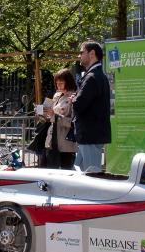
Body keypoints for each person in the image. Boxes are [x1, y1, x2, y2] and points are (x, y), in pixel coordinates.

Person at [72, 41, 112, 172]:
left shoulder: (92, 77)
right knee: (79, 173)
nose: (79, 56)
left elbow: (79, 105)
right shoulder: (97, 76)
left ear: (92, 53)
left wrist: (73, 100)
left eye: (82, 52)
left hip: (90, 135)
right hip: (90, 135)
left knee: (91, 174)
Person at [41, 69, 78, 169]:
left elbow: (73, 122)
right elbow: (50, 116)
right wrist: (42, 113)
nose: (58, 86)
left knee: (65, 170)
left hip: (65, 142)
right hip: (51, 139)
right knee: (47, 168)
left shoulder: (73, 97)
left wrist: (55, 116)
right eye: (57, 83)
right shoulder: (57, 95)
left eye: (61, 83)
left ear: (68, 82)